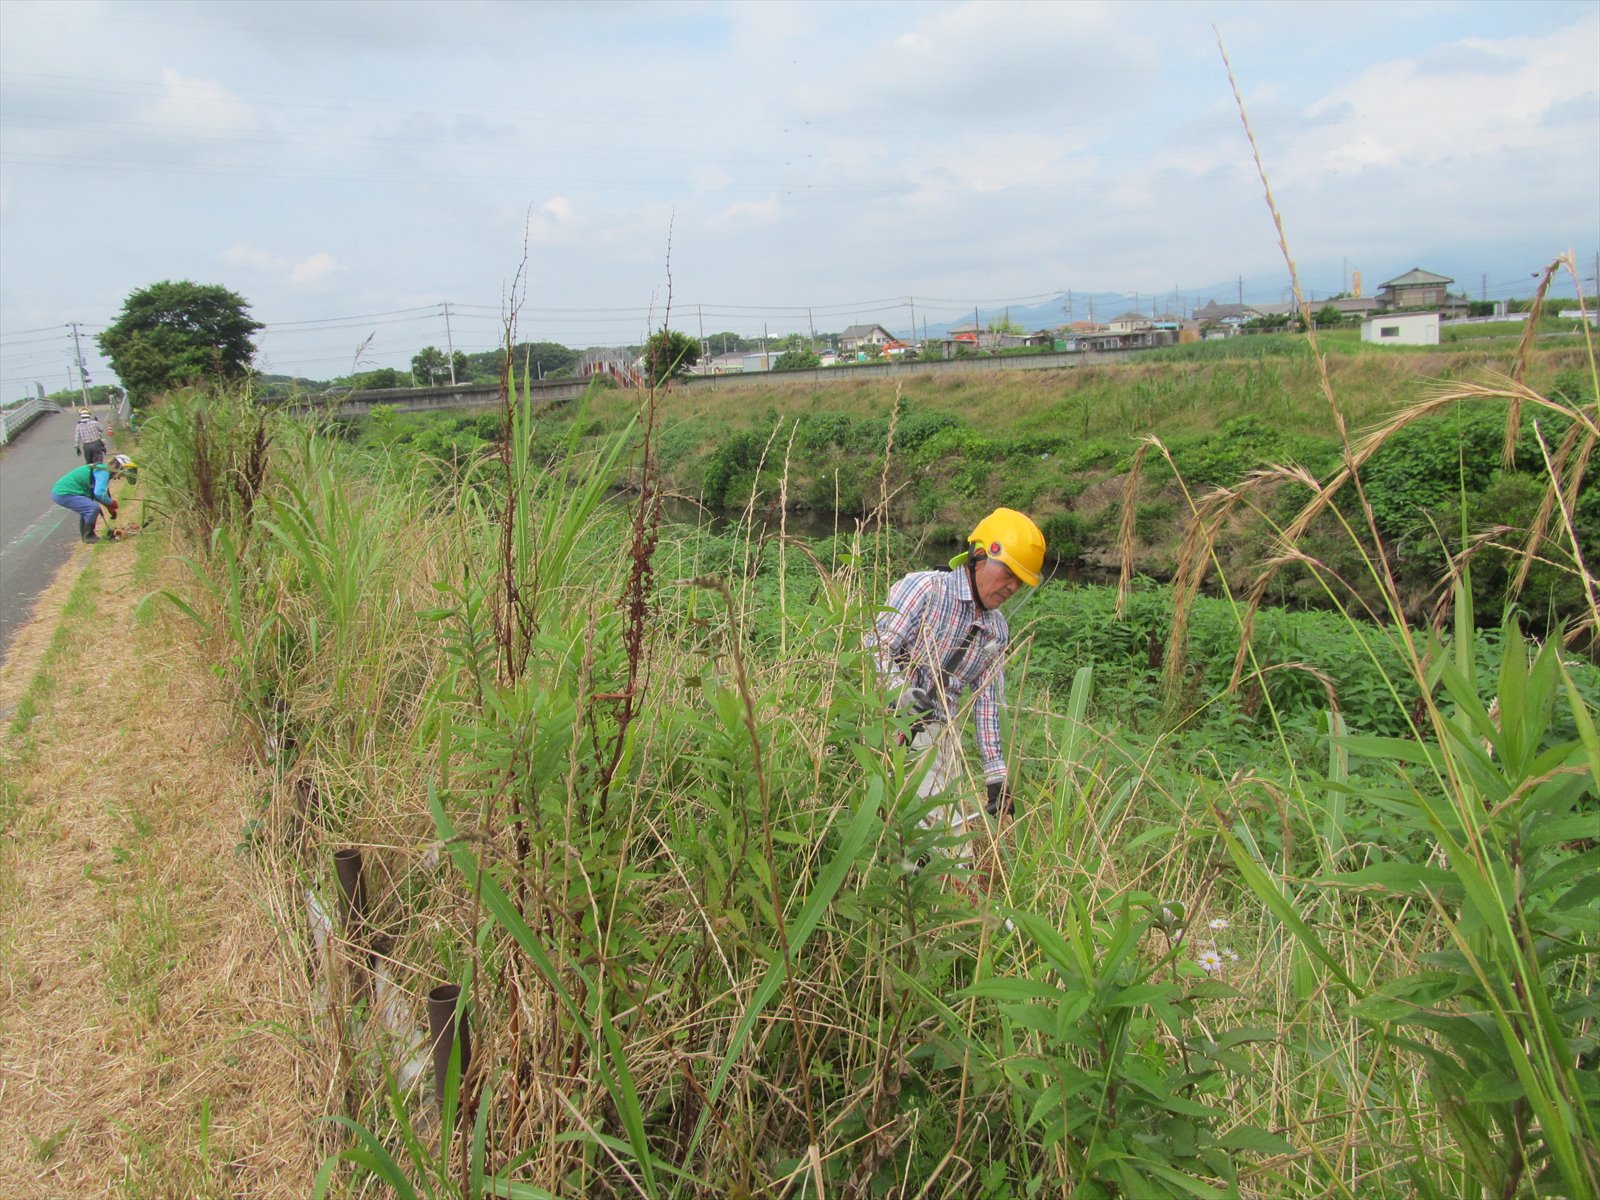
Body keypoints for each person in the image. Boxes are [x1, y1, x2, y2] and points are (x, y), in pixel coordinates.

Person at [866, 507, 1046, 854]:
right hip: (884, 721)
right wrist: (901, 694)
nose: (1011, 586)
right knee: (935, 843)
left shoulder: (996, 629)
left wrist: (996, 774)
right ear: (980, 556)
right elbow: (876, 645)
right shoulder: (926, 589)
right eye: (1007, 572)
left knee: (940, 842)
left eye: (1019, 581)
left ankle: (924, 892)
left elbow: (988, 702)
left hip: (939, 740)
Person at [50, 454, 134, 544]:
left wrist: (109, 507)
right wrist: (111, 503)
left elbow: (102, 491)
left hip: (61, 492)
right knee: (92, 508)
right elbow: (99, 493)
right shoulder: (103, 472)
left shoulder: (102, 470)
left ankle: (86, 536)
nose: (119, 477)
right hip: (64, 493)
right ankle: (89, 536)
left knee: (87, 509)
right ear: (116, 466)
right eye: (122, 473)